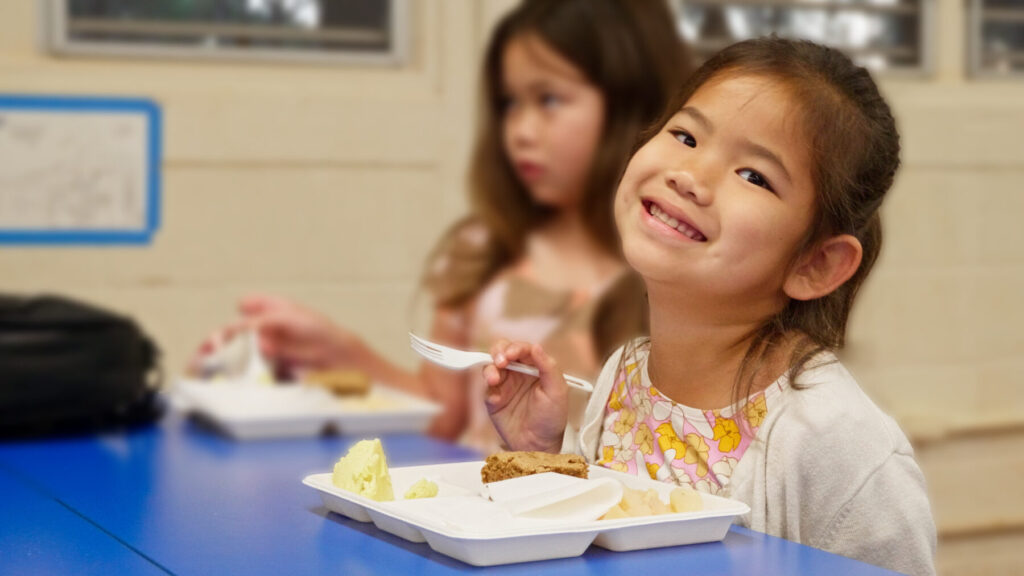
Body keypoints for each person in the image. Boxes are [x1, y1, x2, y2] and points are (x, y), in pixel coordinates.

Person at [482, 37, 936, 575]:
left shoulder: (837, 443)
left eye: (754, 176)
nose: (690, 177)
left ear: (815, 263)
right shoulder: (624, 377)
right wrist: (546, 459)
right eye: (685, 135)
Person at [190, 0, 691, 453]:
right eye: (509, 104)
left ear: (631, 104)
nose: (519, 130)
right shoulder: (482, 249)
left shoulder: (675, 271)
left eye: (549, 100)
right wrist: (340, 353)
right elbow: (442, 414)